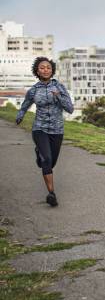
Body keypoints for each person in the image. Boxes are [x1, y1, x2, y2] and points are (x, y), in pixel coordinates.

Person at [16, 57, 74, 207]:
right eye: (42, 67)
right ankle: (51, 194)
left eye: (48, 67)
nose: (45, 70)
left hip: (57, 130)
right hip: (39, 128)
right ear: (37, 71)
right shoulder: (34, 90)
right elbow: (25, 106)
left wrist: (58, 96)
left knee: (51, 162)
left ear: (52, 70)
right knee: (47, 159)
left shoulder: (60, 87)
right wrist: (20, 116)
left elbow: (70, 108)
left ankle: (40, 155)